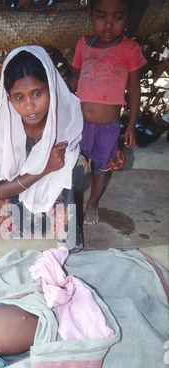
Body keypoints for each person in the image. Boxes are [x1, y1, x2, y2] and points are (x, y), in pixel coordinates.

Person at [0, 45, 84, 251]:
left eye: (37, 93)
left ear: (52, 89)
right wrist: (44, 168)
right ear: (8, 98)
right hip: (9, 195)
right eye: (19, 97)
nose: (29, 105)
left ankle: (62, 227)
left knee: (78, 164)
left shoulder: (65, 120)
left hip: (50, 193)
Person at [69, 0, 147, 224]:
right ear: (90, 12)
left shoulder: (130, 49)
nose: (108, 25)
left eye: (118, 18)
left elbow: (133, 89)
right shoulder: (83, 44)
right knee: (74, 165)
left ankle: (92, 203)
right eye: (101, 16)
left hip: (108, 128)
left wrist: (131, 124)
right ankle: (70, 200)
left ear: (128, 17)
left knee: (102, 168)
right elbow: (76, 79)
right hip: (79, 124)